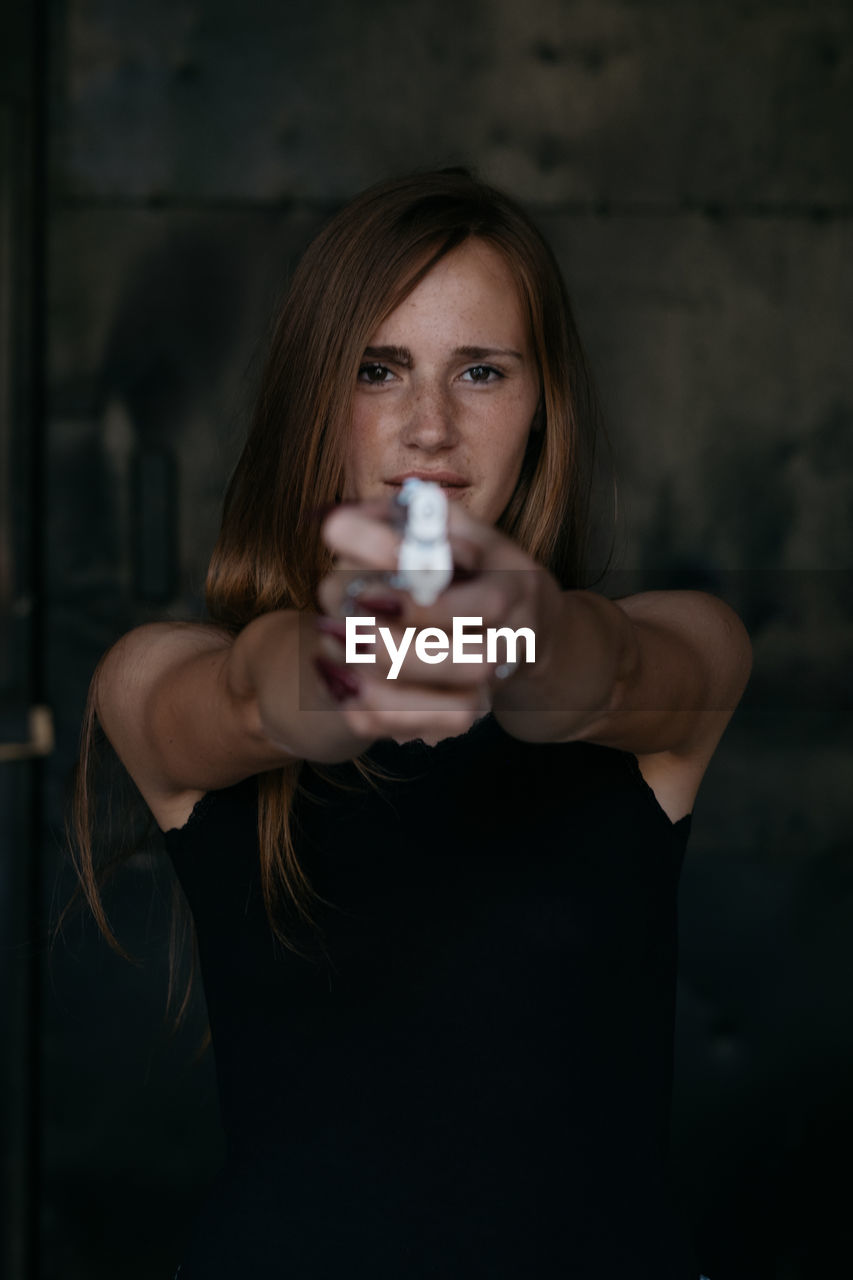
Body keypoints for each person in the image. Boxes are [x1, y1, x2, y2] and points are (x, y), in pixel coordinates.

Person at [70, 168, 750, 1278]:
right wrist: (345, 669)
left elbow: (613, 671)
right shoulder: (157, 675)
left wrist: (519, 631)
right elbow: (247, 697)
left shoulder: (686, 651)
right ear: (312, 400)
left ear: (543, 407)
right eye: (378, 369)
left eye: (480, 371)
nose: (430, 427)